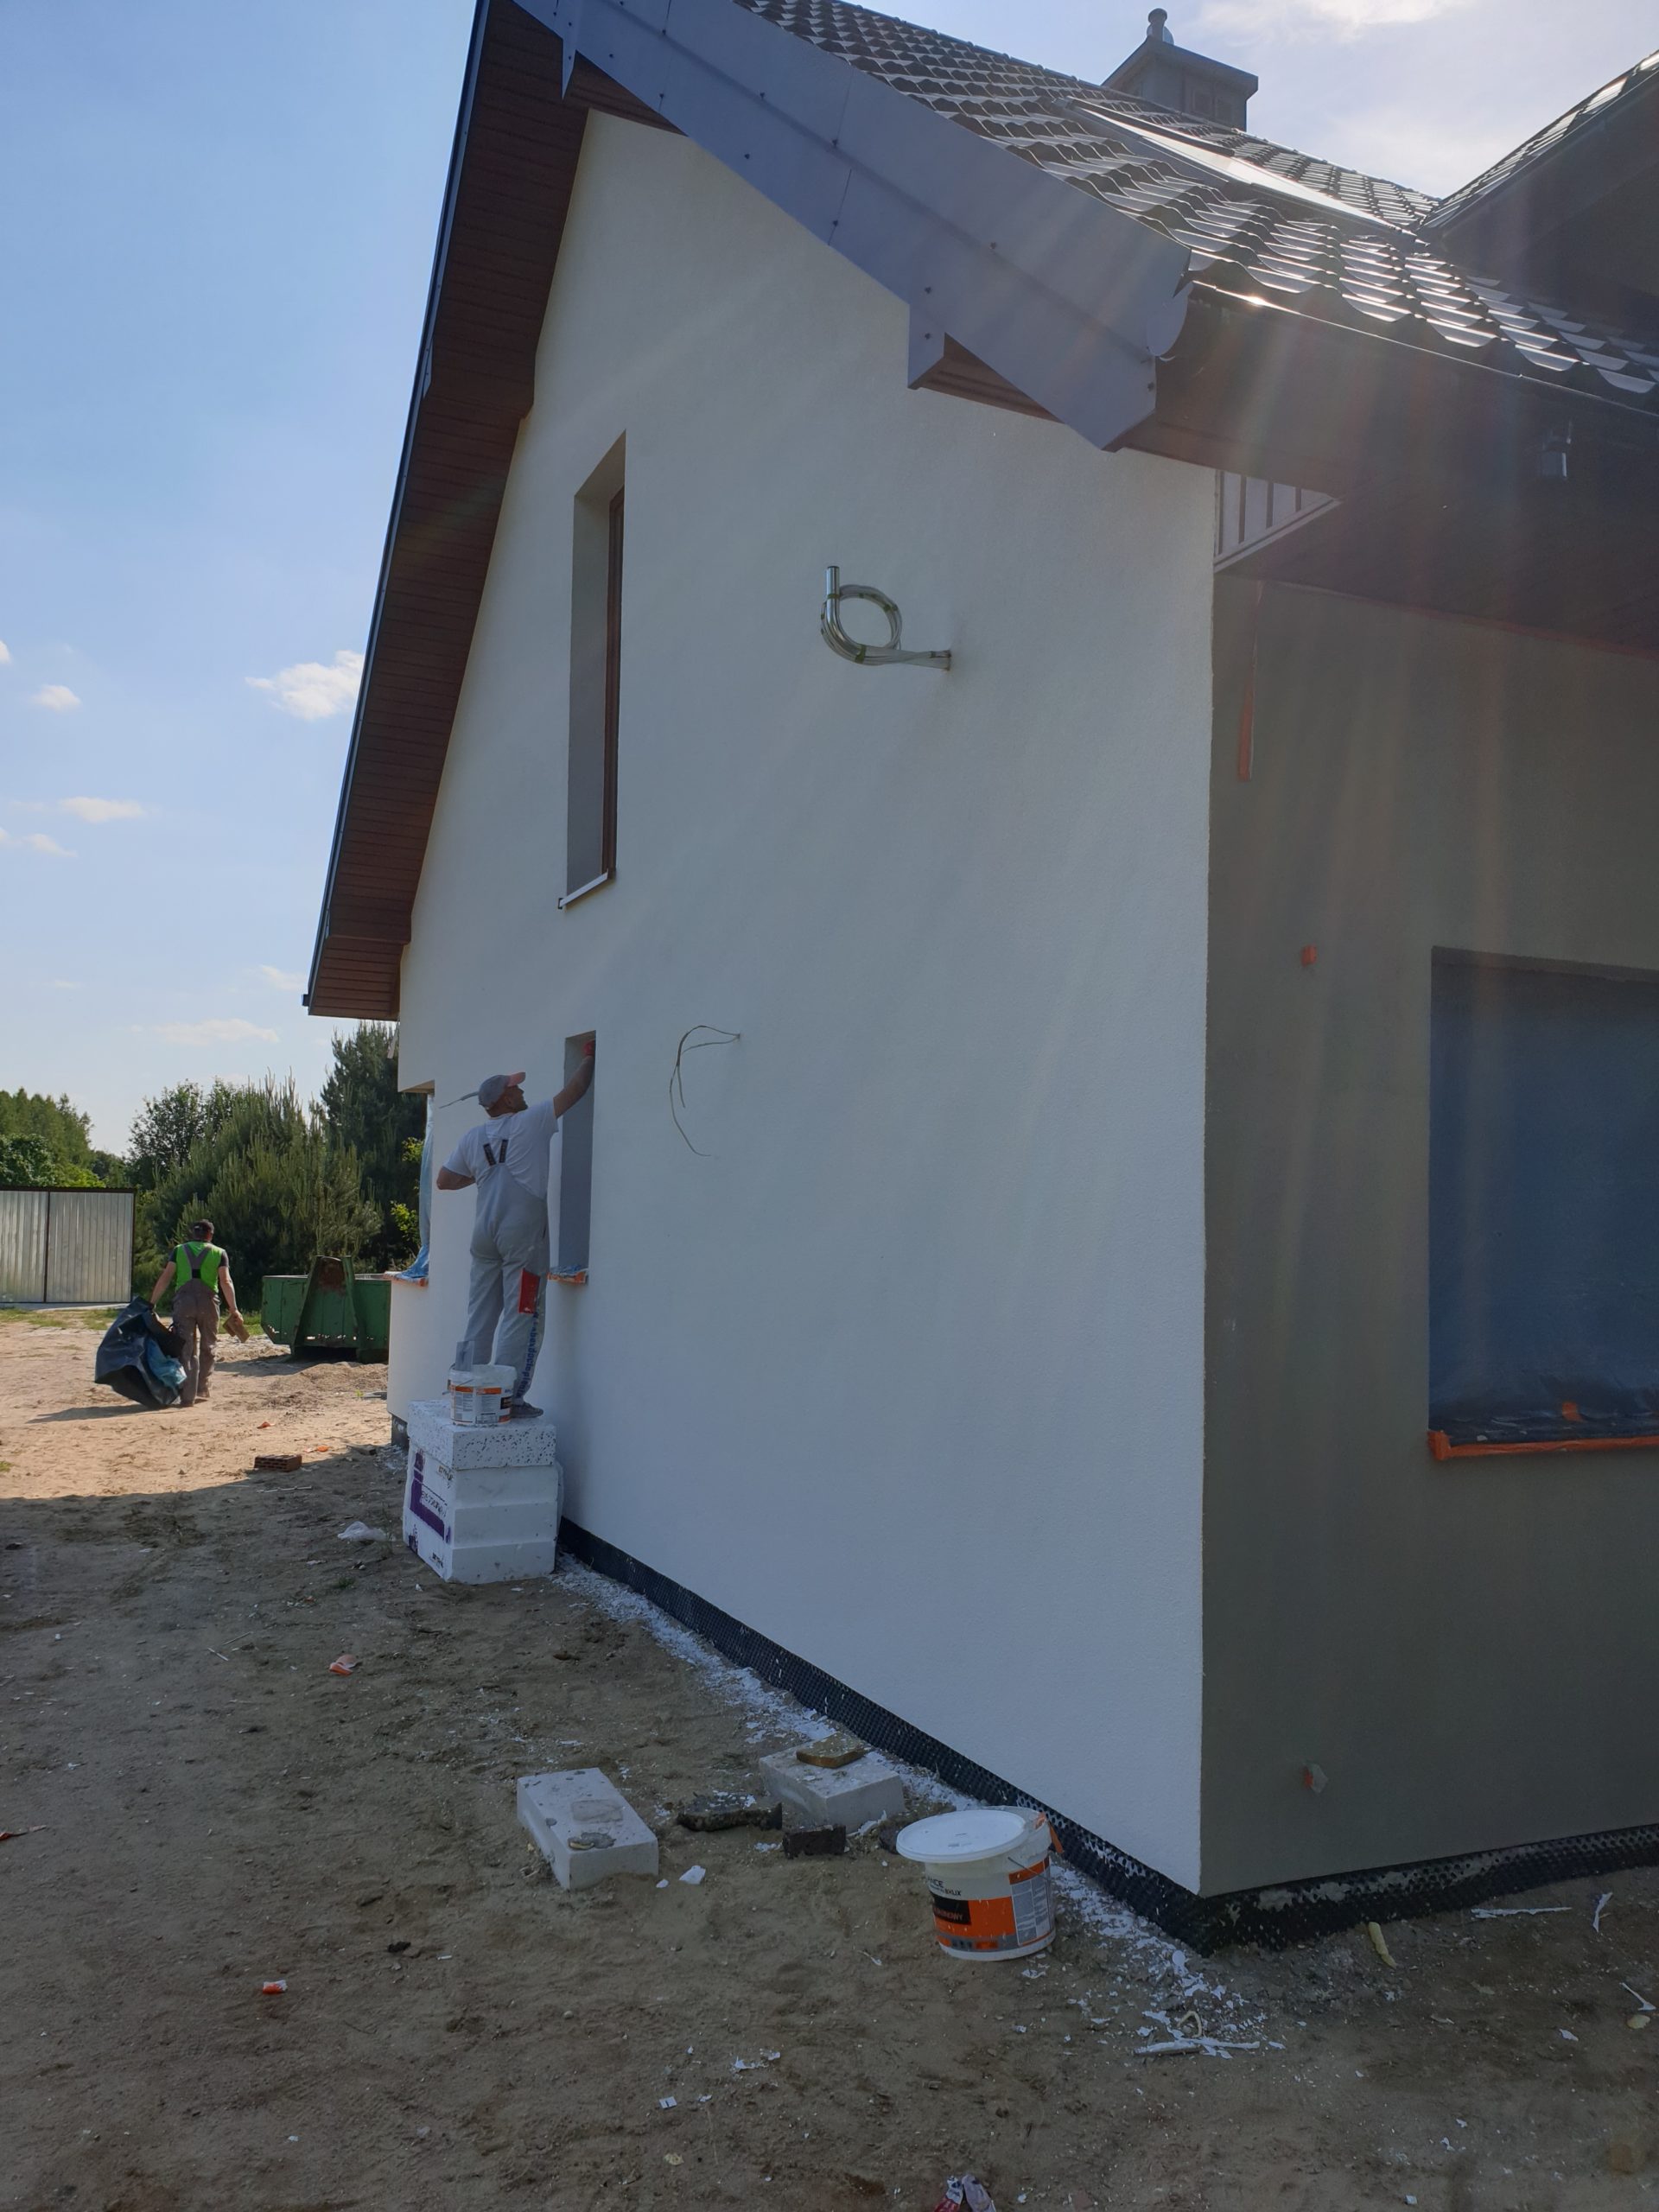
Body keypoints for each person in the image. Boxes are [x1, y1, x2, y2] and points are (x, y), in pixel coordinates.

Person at [436, 1046, 594, 1418]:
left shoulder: (473, 1138)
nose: (522, 1091)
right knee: (522, 1312)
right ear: (507, 1099)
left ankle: (464, 1389)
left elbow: (444, 1181)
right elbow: (575, 1091)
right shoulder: (532, 1120)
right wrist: (589, 1056)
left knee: (479, 1314)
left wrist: (483, 1172)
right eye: (516, 1088)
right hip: (522, 1239)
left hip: (484, 1236)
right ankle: (507, 1399)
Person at [149, 1218, 243, 1409]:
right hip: (209, 1304)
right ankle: (202, 1388)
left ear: (194, 1234)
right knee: (208, 1346)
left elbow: (166, 1277)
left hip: (184, 1304)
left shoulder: (179, 1250)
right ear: (210, 1235)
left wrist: (152, 1303)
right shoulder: (219, 1253)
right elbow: (226, 1281)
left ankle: (187, 1395)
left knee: (185, 1348)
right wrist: (234, 1309)